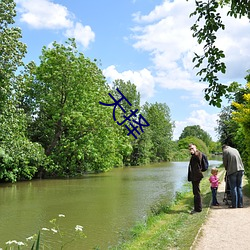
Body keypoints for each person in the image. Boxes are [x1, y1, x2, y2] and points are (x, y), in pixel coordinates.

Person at [188, 143, 204, 214]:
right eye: (190, 149)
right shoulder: (194, 155)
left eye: (192, 148)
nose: (191, 150)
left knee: (196, 192)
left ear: (195, 148)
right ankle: (197, 208)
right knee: (196, 192)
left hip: (196, 176)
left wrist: (194, 152)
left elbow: (198, 158)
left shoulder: (198, 154)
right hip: (195, 176)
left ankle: (198, 209)